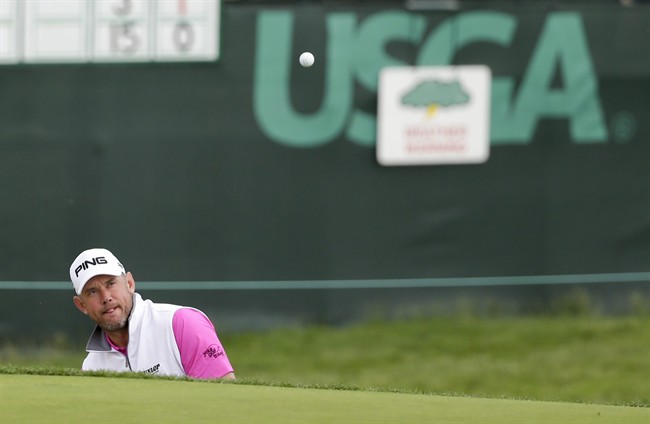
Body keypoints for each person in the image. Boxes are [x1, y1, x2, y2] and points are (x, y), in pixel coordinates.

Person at [69, 247, 235, 380]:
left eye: (111, 284)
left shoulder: (183, 322)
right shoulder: (91, 367)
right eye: (92, 292)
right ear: (81, 305)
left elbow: (226, 401)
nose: (106, 297)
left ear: (129, 283)